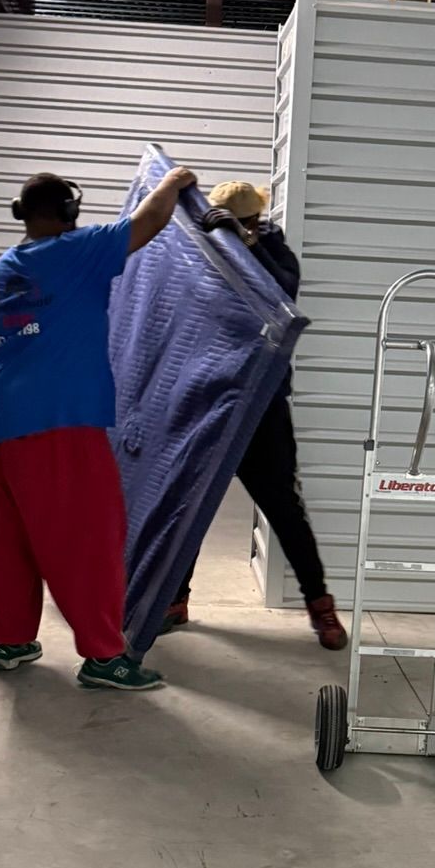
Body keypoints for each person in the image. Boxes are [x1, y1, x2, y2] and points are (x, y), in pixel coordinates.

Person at [0, 164, 195, 690]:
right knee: (91, 534)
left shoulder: (12, 263)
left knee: (14, 534)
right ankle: (104, 657)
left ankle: (9, 641)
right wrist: (174, 182)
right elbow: (150, 222)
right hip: (59, 417)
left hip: (2, 413)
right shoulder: (76, 252)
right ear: (69, 214)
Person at [162, 181, 347, 650]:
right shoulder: (202, 255)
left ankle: (320, 607)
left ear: (253, 222)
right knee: (189, 504)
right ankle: (173, 600)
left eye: (246, 225)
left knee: (285, 509)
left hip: (262, 404)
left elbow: (283, 295)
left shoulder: (274, 253)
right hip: (212, 398)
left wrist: (247, 247)